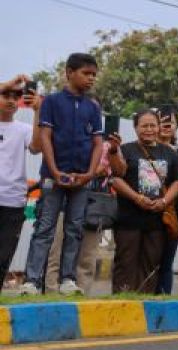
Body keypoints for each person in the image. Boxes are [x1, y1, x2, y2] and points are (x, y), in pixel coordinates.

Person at [21, 53, 104, 296]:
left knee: (74, 228)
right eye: (86, 73)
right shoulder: (52, 102)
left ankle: (68, 279)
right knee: (44, 228)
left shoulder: (92, 107)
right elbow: (45, 137)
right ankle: (32, 281)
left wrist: (89, 174)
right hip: (52, 176)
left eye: (94, 75)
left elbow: (97, 143)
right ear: (69, 72)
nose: (91, 79)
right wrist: (55, 171)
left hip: (82, 179)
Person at [111, 110, 178, 293]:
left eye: (153, 125)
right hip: (129, 219)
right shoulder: (126, 150)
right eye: (144, 125)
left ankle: (145, 301)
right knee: (125, 262)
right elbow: (115, 178)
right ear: (136, 127)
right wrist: (137, 198)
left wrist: (165, 201)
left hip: (157, 220)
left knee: (151, 264)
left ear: (159, 127)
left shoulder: (169, 152)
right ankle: (122, 302)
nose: (149, 129)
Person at [0, 75, 42, 282]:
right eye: (5, 94)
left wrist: (37, 112)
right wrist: (8, 83)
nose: (10, 100)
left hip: (13, 202)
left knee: (3, 257)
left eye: (16, 96)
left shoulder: (23, 129)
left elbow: (36, 147)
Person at [154, 108, 178, 295]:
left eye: (172, 122)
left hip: (174, 215)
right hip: (149, 210)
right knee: (150, 260)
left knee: (167, 262)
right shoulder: (147, 151)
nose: (167, 126)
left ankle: (164, 300)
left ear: (177, 127)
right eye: (163, 122)